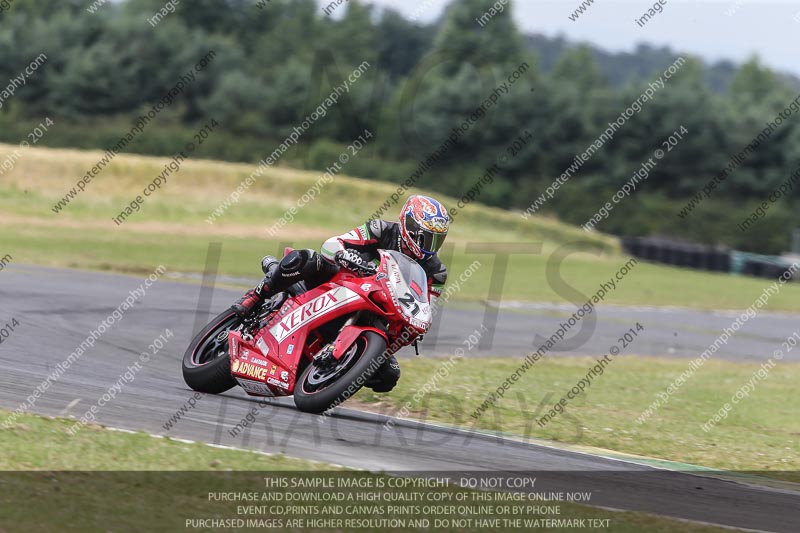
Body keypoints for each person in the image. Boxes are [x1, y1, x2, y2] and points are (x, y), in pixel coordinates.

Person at [230, 195, 450, 392]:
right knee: (306, 258)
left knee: (388, 376)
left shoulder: (437, 272)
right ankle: (256, 296)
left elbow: (425, 309)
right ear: (408, 226)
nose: (430, 245)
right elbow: (332, 244)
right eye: (426, 237)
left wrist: (414, 328)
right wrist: (346, 255)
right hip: (341, 282)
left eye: (436, 239)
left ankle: (340, 372)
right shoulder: (380, 229)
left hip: (380, 308)